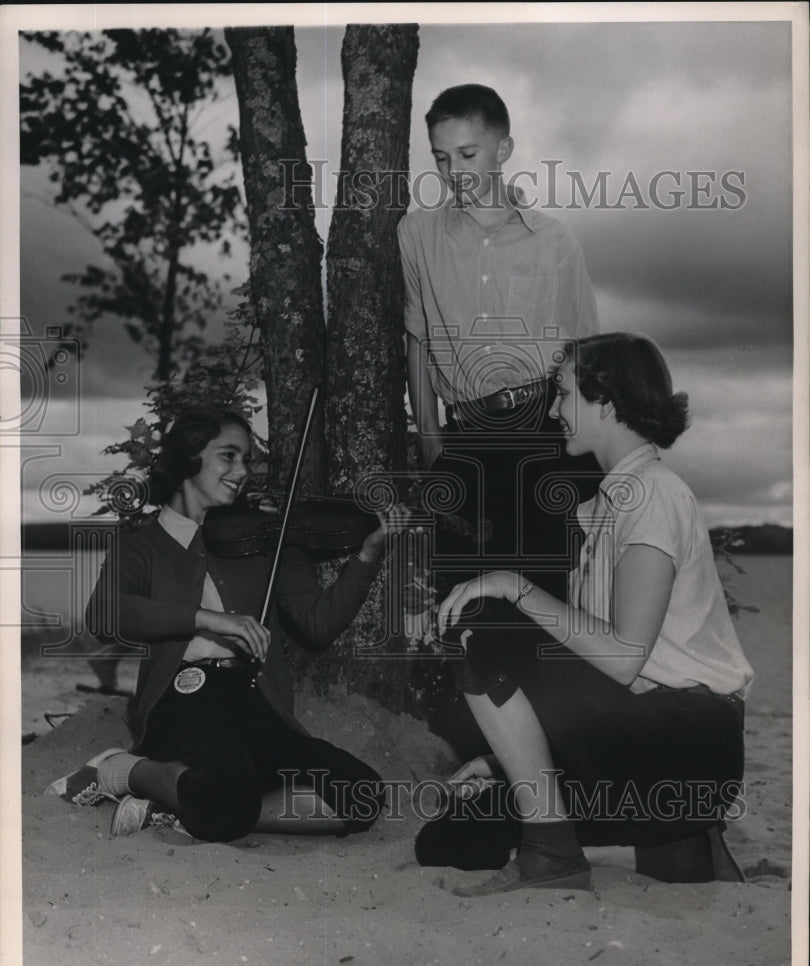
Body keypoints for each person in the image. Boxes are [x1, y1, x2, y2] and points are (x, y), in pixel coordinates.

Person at [415, 332, 753, 894]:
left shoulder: (654, 496)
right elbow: (584, 664)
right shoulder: (600, 505)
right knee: (456, 839)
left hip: (688, 740)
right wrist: (506, 760)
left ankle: (555, 854)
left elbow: (621, 659)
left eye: (564, 393)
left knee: (480, 629)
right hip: (634, 731)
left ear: (605, 400)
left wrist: (512, 585)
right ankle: (684, 840)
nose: (553, 410)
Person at [47, 406, 408, 842]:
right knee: (228, 794)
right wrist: (207, 620)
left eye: (247, 459)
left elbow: (318, 623)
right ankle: (125, 771)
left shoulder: (264, 540)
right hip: (184, 699)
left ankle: (183, 804)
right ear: (189, 458)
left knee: (362, 794)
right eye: (229, 456)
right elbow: (104, 615)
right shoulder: (141, 547)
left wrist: (367, 555)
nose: (243, 471)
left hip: (255, 701)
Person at [398, 82, 602, 754]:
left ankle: (553, 789)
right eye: (440, 158)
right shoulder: (418, 233)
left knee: (544, 611)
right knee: (468, 612)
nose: (453, 173)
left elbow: (585, 353)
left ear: (503, 149)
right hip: (466, 437)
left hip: (546, 434)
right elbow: (419, 337)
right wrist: (430, 436)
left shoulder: (555, 241)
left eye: (467, 154)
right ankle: (492, 767)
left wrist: (586, 454)